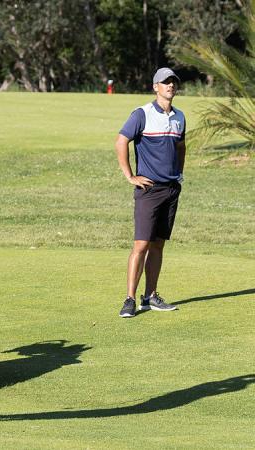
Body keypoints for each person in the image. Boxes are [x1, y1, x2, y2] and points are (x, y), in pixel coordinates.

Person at [116, 68, 186, 318]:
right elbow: (121, 141)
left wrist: (179, 174)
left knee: (158, 245)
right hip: (148, 189)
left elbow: (181, 146)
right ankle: (129, 299)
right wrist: (130, 175)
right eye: (165, 82)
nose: (170, 86)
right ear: (155, 86)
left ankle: (150, 296)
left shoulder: (179, 117)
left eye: (173, 82)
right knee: (141, 244)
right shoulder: (141, 114)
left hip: (171, 189)